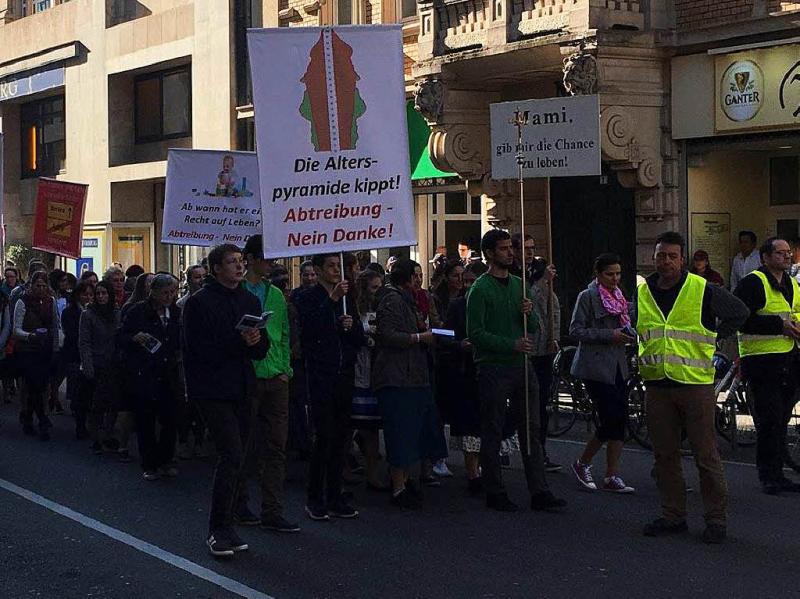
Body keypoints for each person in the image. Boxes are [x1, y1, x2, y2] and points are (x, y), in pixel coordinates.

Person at [635, 231, 748, 544]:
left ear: (682, 259)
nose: (666, 261)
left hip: (694, 386)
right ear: (653, 257)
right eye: (660, 255)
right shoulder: (644, 291)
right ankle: (673, 515)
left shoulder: (702, 288)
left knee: (705, 456)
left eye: (672, 256)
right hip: (657, 384)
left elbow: (739, 312)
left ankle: (715, 520)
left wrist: (714, 336)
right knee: (664, 455)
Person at [467, 229, 566, 513]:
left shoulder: (518, 285)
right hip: (494, 368)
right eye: (504, 249)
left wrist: (529, 311)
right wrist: (509, 344)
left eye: (511, 248)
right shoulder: (480, 289)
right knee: (494, 429)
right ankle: (494, 490)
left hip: (522, 367)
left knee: (532, 429)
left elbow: (535, 327)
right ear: (489, 253)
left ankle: (539, 490)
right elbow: (476, 334)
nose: (511, 253)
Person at [183, 243, 268, 558]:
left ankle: (229, 523)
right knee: (230, 454)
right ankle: (218, 529)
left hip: (242, 387)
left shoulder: (248, 299)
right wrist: (237, 340)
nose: (238, 266)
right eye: (231, 262)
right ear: (216, 268)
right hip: (212, 390)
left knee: (241, 456)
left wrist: (256, 339)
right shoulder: (199, 303)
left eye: (240, 261)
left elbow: (260, 349)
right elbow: (197, 349)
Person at [235, 235, 300, 532]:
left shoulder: (275, 293)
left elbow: (285, 333)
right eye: (266, 258)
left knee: (276, 446)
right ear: (250, 258)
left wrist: (285, 368)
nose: (270, 264)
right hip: (247, 376)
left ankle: (272, 509)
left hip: (276, 377)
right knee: (246, 445)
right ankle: (239, 504)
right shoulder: (237, 291)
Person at [294, 253, 364, 521]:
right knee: (323, 436)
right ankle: (315, 497)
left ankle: (335, 494)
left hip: (343, 373)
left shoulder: (348, 299)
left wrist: (350, 326)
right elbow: (309, 329)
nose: (337, 271)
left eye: (339, 266)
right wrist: (331, 300)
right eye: (332, 266)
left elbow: (358, 336)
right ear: (319, 270)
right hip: (320, 373)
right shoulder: (309, 297)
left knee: (342, 437)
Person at [373, 259, 445, 509]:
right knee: (400, 431)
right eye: (414, 276)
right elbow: (387, 335)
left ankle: (406, 480)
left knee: (414, 431)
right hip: (397, 376)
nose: (419, 280)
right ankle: (398, 486)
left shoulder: (409, 299)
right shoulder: (392, 300)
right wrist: (418, 337)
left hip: (413, 374)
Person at [733, 237, 800, 495]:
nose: (786, 257)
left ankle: (779, 473)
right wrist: (778, 326)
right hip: (762, 363)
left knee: (782, 419)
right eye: (780, 253)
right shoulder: (753, 283)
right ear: (765, 257)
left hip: (789, 359)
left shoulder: (792, 284)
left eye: (788, 253)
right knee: (769, 420)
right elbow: (740, 319)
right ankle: (768, 475)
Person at [569, 253, 636, 494]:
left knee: (620, 419)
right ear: (598, 274)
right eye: (610, 274)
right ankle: (582, 462)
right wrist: (610, 335)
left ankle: (612, 474)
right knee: (609, 417)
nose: (615, 278)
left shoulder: (620, 297)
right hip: (595, 366)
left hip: (618, 364)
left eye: (618, 273)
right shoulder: (587, 297)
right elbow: (576, 330)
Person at [120, 273, 182, 480]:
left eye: (173, 292)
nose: (169, 296)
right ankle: (149, 463)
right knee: (145, 421)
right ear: (153, 292)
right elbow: (121, 336)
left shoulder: (176, 312)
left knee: (170, 420)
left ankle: (166, 459)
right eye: (165, 292)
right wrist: (134, 338)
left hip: (169, 373)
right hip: (145, 372)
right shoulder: (138, 311)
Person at [443, 265, 483, 492]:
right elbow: (446, 336)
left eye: (471, 281)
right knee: (469, 425)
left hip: (488, 368)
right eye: (464, 281)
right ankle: (472, 474)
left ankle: (486, 468)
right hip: (465, 371)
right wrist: (459, 344)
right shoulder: (457, 305)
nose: (467, 286)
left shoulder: (490, 303)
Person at [13, 270, 60, 440]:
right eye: (37, 285)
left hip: (44, 350)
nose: (41, 288)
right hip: (27, 351)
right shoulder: (22, 301)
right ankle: (42, 419)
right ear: (31, 285)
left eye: (43, 285)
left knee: (41, 386)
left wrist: (55, 348)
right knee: (33, 384)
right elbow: (16, 329)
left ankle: (29, 415)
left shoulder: (51, 301)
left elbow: (55, 326)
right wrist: (30, 336)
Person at [352, 268, 387, 490]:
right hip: (360, 372)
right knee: (354, 424)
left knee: (373, 428)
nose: (378, 292)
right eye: (374, 288)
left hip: (379, 373)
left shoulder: (385, 307)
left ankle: (373, 474)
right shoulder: (355, 310)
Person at [79, 280, 121, 453]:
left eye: (104, 293)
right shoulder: (88, 314)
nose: (101, 297)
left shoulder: (116, 313)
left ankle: (108, 434)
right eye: (98, 293)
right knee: (96, 404)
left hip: (113, 364)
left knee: (113, 404)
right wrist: (88, 366)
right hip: (96, 363)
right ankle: (95, 437)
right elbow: (84, 342)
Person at [62, 280, 94, 439]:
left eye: (90, 294)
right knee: (77, 389)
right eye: (84, 294)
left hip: (90, 356)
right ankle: (80, 424)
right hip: (74, 355)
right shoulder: (70, 312)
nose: (87, 297)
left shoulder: (95, 311)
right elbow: (71, 334)